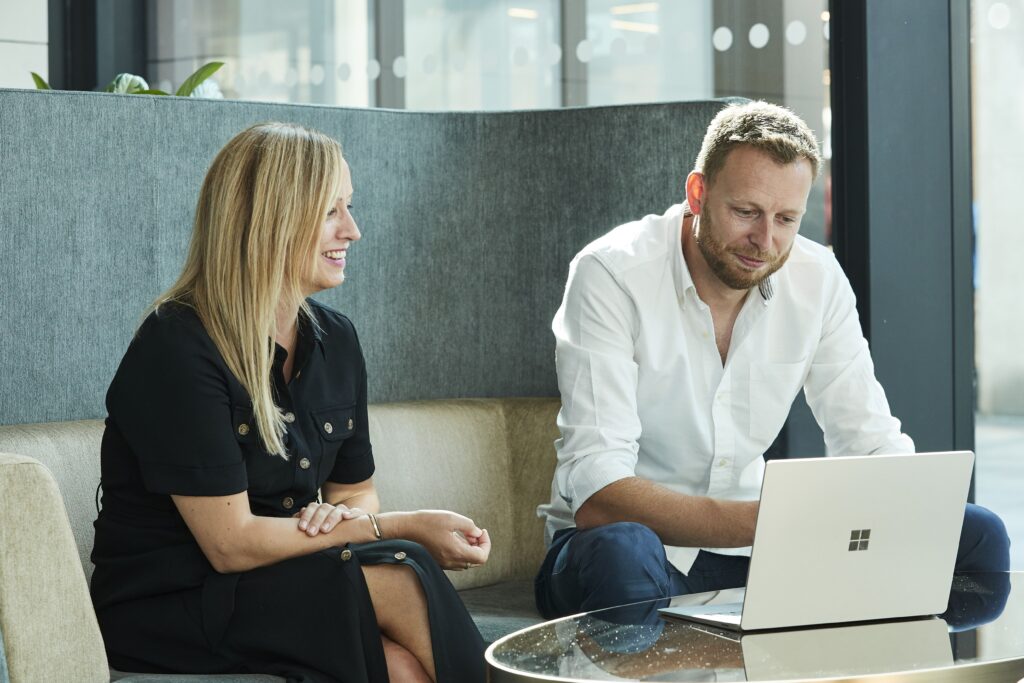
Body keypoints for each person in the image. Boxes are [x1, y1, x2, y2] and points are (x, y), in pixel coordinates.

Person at [534, 101, 1010, 619]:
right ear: (698, 193)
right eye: (746, 213)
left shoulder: (816, 278)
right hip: (624, 553)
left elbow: (870, 442)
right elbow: (600, 494)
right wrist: (778, 521)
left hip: (756, 553)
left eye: (786, 219)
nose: (765, 241)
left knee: (978, 539)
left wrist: (897, 509)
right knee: (623, 552)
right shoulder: (612, 274)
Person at [91, 122, 491, 683]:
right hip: (174, 604)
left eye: (348, 208)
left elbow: (355, 490)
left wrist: (346, 515)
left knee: (401, 667)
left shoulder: (337, 340)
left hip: (288, 580)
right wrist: (390, 528)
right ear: (268, 220)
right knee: (403, 568)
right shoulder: (176, 345)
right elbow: (231, 545)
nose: (352, 230)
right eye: (331, 211)